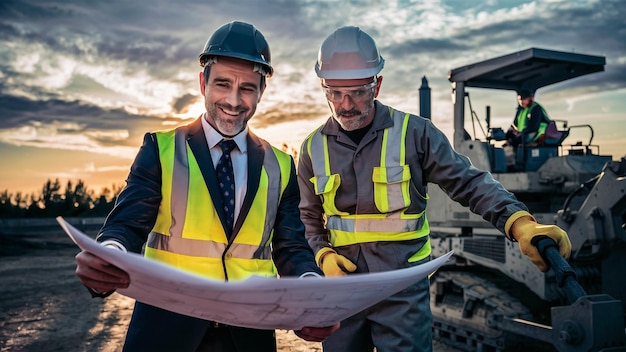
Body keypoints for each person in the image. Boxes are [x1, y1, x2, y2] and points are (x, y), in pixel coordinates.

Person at [297, 26, 572, 352]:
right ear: (323, 88)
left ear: (377, 85)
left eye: (357, 91)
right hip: (342, 291)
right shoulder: (312, 147)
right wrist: (323, 254)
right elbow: (308, 219)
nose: (345, 104)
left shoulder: (415, 134)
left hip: (401, 290)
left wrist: (519, 223)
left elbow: (469, 182)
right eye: (334, 92)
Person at [75, 21, 338, 352]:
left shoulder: (281, 166)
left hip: (247, 335)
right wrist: (108, 256)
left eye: (247, 88)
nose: (233, 100)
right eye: (222, 84)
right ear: (203, 82)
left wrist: (311, 292)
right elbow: (126, 226)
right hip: (166, 330)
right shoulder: (161, 149)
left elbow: (292, 249)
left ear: (262, 91)